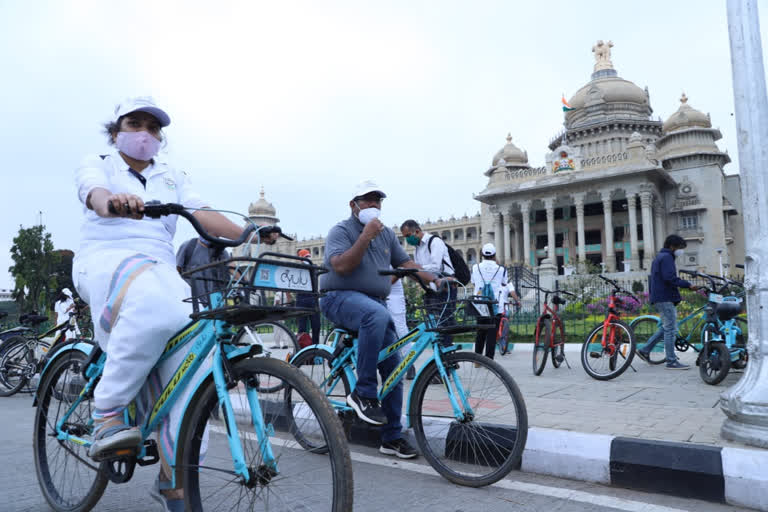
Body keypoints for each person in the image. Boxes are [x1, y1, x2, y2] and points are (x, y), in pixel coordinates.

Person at [72, 96, 258, 510]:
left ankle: (174, 483)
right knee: (156, 307)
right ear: (116, 130)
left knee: (192, 368)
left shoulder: (172, 175)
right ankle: (108, 411)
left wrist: (248, 233)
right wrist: (112, 203)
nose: (143, 132)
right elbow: (94, 192)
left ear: (160, 136)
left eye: (152, 127)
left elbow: (202, 212)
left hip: (159, 267)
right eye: (134, 123)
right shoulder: (100, 161)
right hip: (105, 259)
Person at [319, 180, 441, 459]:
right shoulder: (341, 230)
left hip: (374, 304)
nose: (374, 206)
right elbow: (340, 265)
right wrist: (364, 237)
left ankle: (392, 437)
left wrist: (433, 278)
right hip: (338, 297)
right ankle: (363, 393)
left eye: (378, 201)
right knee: (376, 314)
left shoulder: (386, 234)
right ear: (354, 205)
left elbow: (405, 263)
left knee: (394, 368)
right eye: (368, 200)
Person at [636, 234, 699, 369]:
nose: (681, 251)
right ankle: (671, 361)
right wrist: (688, 285)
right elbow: (670, 278)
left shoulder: (661, 257)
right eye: (680, 248)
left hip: (661, 297)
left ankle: (645, 350)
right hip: (664, 297)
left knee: (668, 327)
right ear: (672, 246)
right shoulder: (667, 258)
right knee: (670, 328)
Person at [399, 220, 457, 346]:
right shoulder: (417, 249)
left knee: (445, 325)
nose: (407, 240)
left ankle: (448, 358)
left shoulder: (434, 242)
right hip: (431, 288)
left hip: (445, 286)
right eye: (405, 237)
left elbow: (436, 267)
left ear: (417, 231)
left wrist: (415, 268)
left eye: (408, 236)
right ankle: (440, 356)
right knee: (433, 325)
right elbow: (422, 271)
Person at [470, 243, 519, 360]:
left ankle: (477, 360)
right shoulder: (501, 269)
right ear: (494, 255)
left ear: (482, 254)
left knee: (480, 333)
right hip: (495, 305)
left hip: (480, 305)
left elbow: (473, 282)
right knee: (492, 333)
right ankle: (489, 360)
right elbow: (503, 283)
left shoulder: (475, 267)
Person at [176, 236, 231, 313]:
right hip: (192, 302)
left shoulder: (222, 251)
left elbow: (232, 269)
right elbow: (177, 270)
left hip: (216, 303)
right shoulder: (189, 245)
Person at [386, 275, 415, 379]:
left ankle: (409, 363)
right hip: (374, 290)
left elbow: (397, 271)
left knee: (400, 329)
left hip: (392, 293)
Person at [296, 248, 321, 346]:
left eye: (308, 256)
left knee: (314, 326)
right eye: (306, 257)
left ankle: (311, 347)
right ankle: (307, 347)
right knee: (306, 327)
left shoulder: (313, 267)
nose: (308, 258)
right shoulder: (310, 267)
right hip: (309, 298)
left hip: (306, 298)